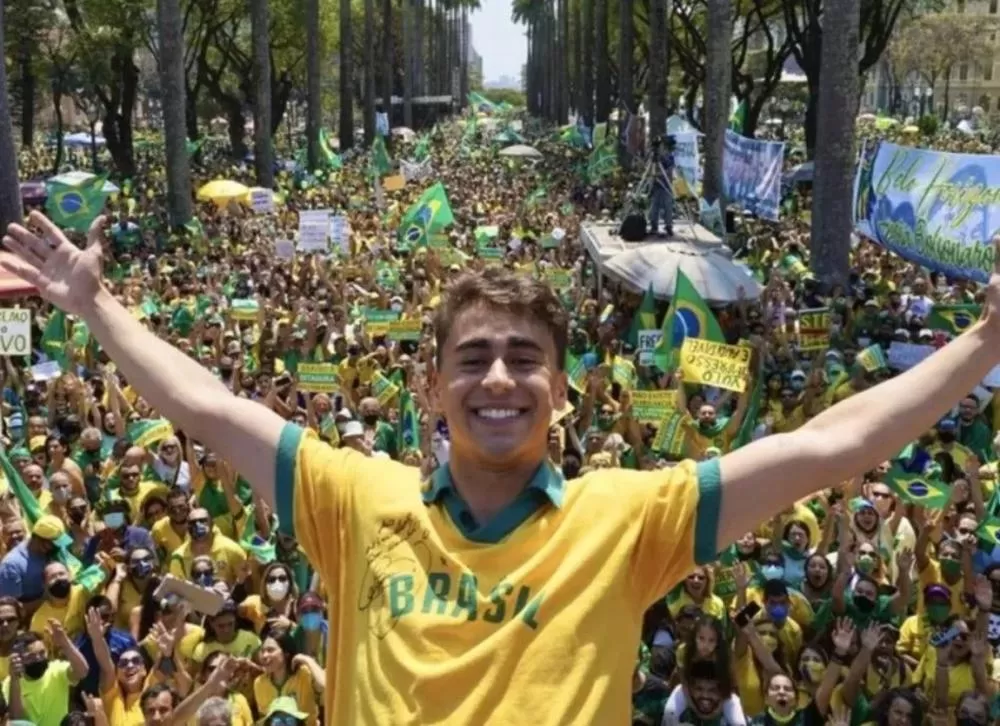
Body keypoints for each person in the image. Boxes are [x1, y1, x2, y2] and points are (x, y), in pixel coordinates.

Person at [8, 199, 1000, 724]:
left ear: (561, 392)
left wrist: (983, 343)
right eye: (471, 358)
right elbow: (206, 405)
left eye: (525, 359)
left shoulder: (631, 517)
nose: (497, 378)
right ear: (430, 390)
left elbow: (837, 447)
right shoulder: (352, 496)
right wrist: (94, 308)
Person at [649, 136, 675, 238]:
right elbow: (651, 169)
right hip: (656, 185)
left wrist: (659, 174)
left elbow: (669, 171)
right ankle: (653, 226)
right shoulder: (656, 157)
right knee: (654, 206)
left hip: (666, 185)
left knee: (668, 206)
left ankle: (668, 226)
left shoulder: (670, 157)